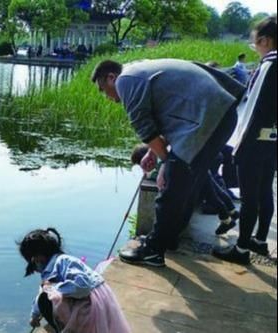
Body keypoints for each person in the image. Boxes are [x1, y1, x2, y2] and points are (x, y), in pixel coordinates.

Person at [91, 59, 244, 267]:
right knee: (187, 184)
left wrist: (165, 163)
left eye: (103, 89)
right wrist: (154, 154)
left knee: (171, 187)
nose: (108, 97)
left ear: (111, 77)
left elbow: (143, 126)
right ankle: (167, 238)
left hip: (208, 117)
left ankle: (153, 250)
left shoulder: (125, 80)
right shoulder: (141, 70)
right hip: (218, 115)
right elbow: (171, 116)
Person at [213, 16, 277, 265]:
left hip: (254, 140)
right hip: (272, 140)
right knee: (264, 190)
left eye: (255, 43)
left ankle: (241, 249)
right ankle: (259, 240)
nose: (256, 48)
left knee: (250, 196)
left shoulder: (269, 65)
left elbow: (251, 109)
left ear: (266, 40)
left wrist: (237, 145)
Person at [18, 228, 131, 333]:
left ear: (38, 256)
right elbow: (42, 293)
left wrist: (53, 288)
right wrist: (34, 315)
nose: (33, 264)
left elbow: (83, 286)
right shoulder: (48, 271)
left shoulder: (64, 261)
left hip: (93, 301)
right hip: (83, 298)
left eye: (32, 259)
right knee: (46, 297)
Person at [131, 144, 239, 235]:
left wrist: (149, 175)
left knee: (211, 194)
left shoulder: (161, 159)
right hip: (200, 161)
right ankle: (230, 214)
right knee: (213, 192)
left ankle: (228, 218)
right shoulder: (162, 150)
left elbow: (162, 175)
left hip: (197, 166)